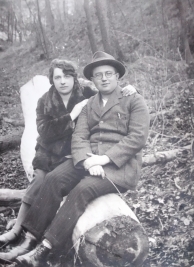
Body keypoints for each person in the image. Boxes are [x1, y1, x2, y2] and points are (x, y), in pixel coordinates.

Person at [0, 51, 149, 266]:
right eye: (99, 75)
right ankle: (28, 240)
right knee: (52, 179)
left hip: (119, 166)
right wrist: (86, 161)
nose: (104, 78)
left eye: (109, 73)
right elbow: (79, 135)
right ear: (93, 80)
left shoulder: (133, 100)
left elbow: (137, 138)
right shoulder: (89, 102)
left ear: (118, 76)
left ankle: (43, 251)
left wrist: (103, 160)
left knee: (82, 189)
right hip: (88, 159)